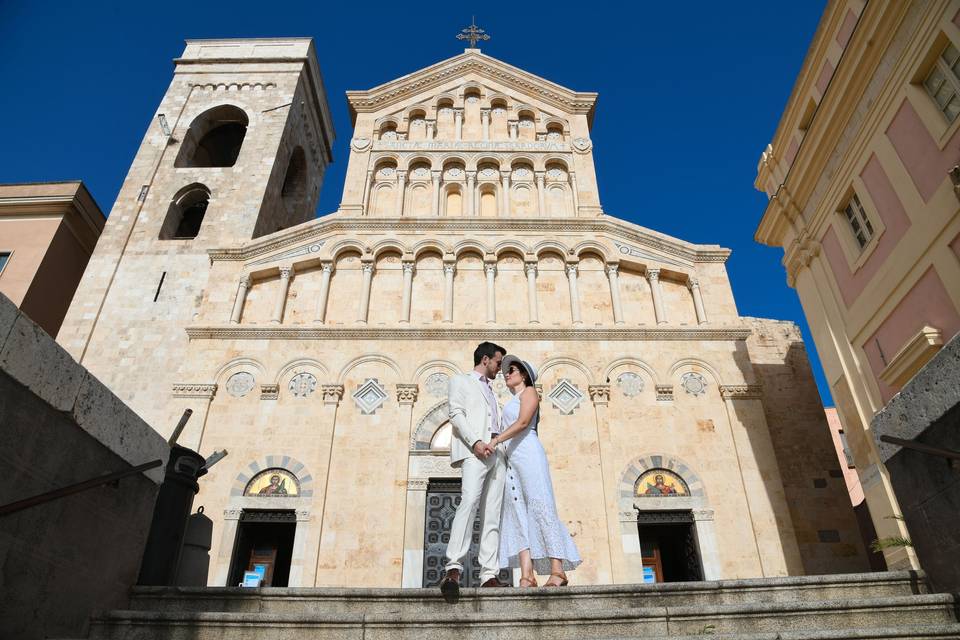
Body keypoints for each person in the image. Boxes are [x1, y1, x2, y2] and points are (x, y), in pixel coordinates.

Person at [492, 356, 580, 587]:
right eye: (505, 371)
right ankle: (526, 575)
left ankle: (557, 570)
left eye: (511, 370)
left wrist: (496, 440)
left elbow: (522, 423)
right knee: (516, 512)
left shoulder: (529, 392)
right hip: (513, 458)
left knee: (541, 505)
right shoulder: (511, 400)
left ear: (523, 374)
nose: (506, 373)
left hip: (529, 454)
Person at [439, 341, 508, 601]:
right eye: (498, 362)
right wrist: (476, 443)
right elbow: (456, 414)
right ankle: (453, 568)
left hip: (496, 452)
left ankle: (489, 574)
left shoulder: (492, 391)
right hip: (475, 452)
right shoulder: (461, 381)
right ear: (486, 359)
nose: (500, 368)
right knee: (468, 503)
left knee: (492, 513)